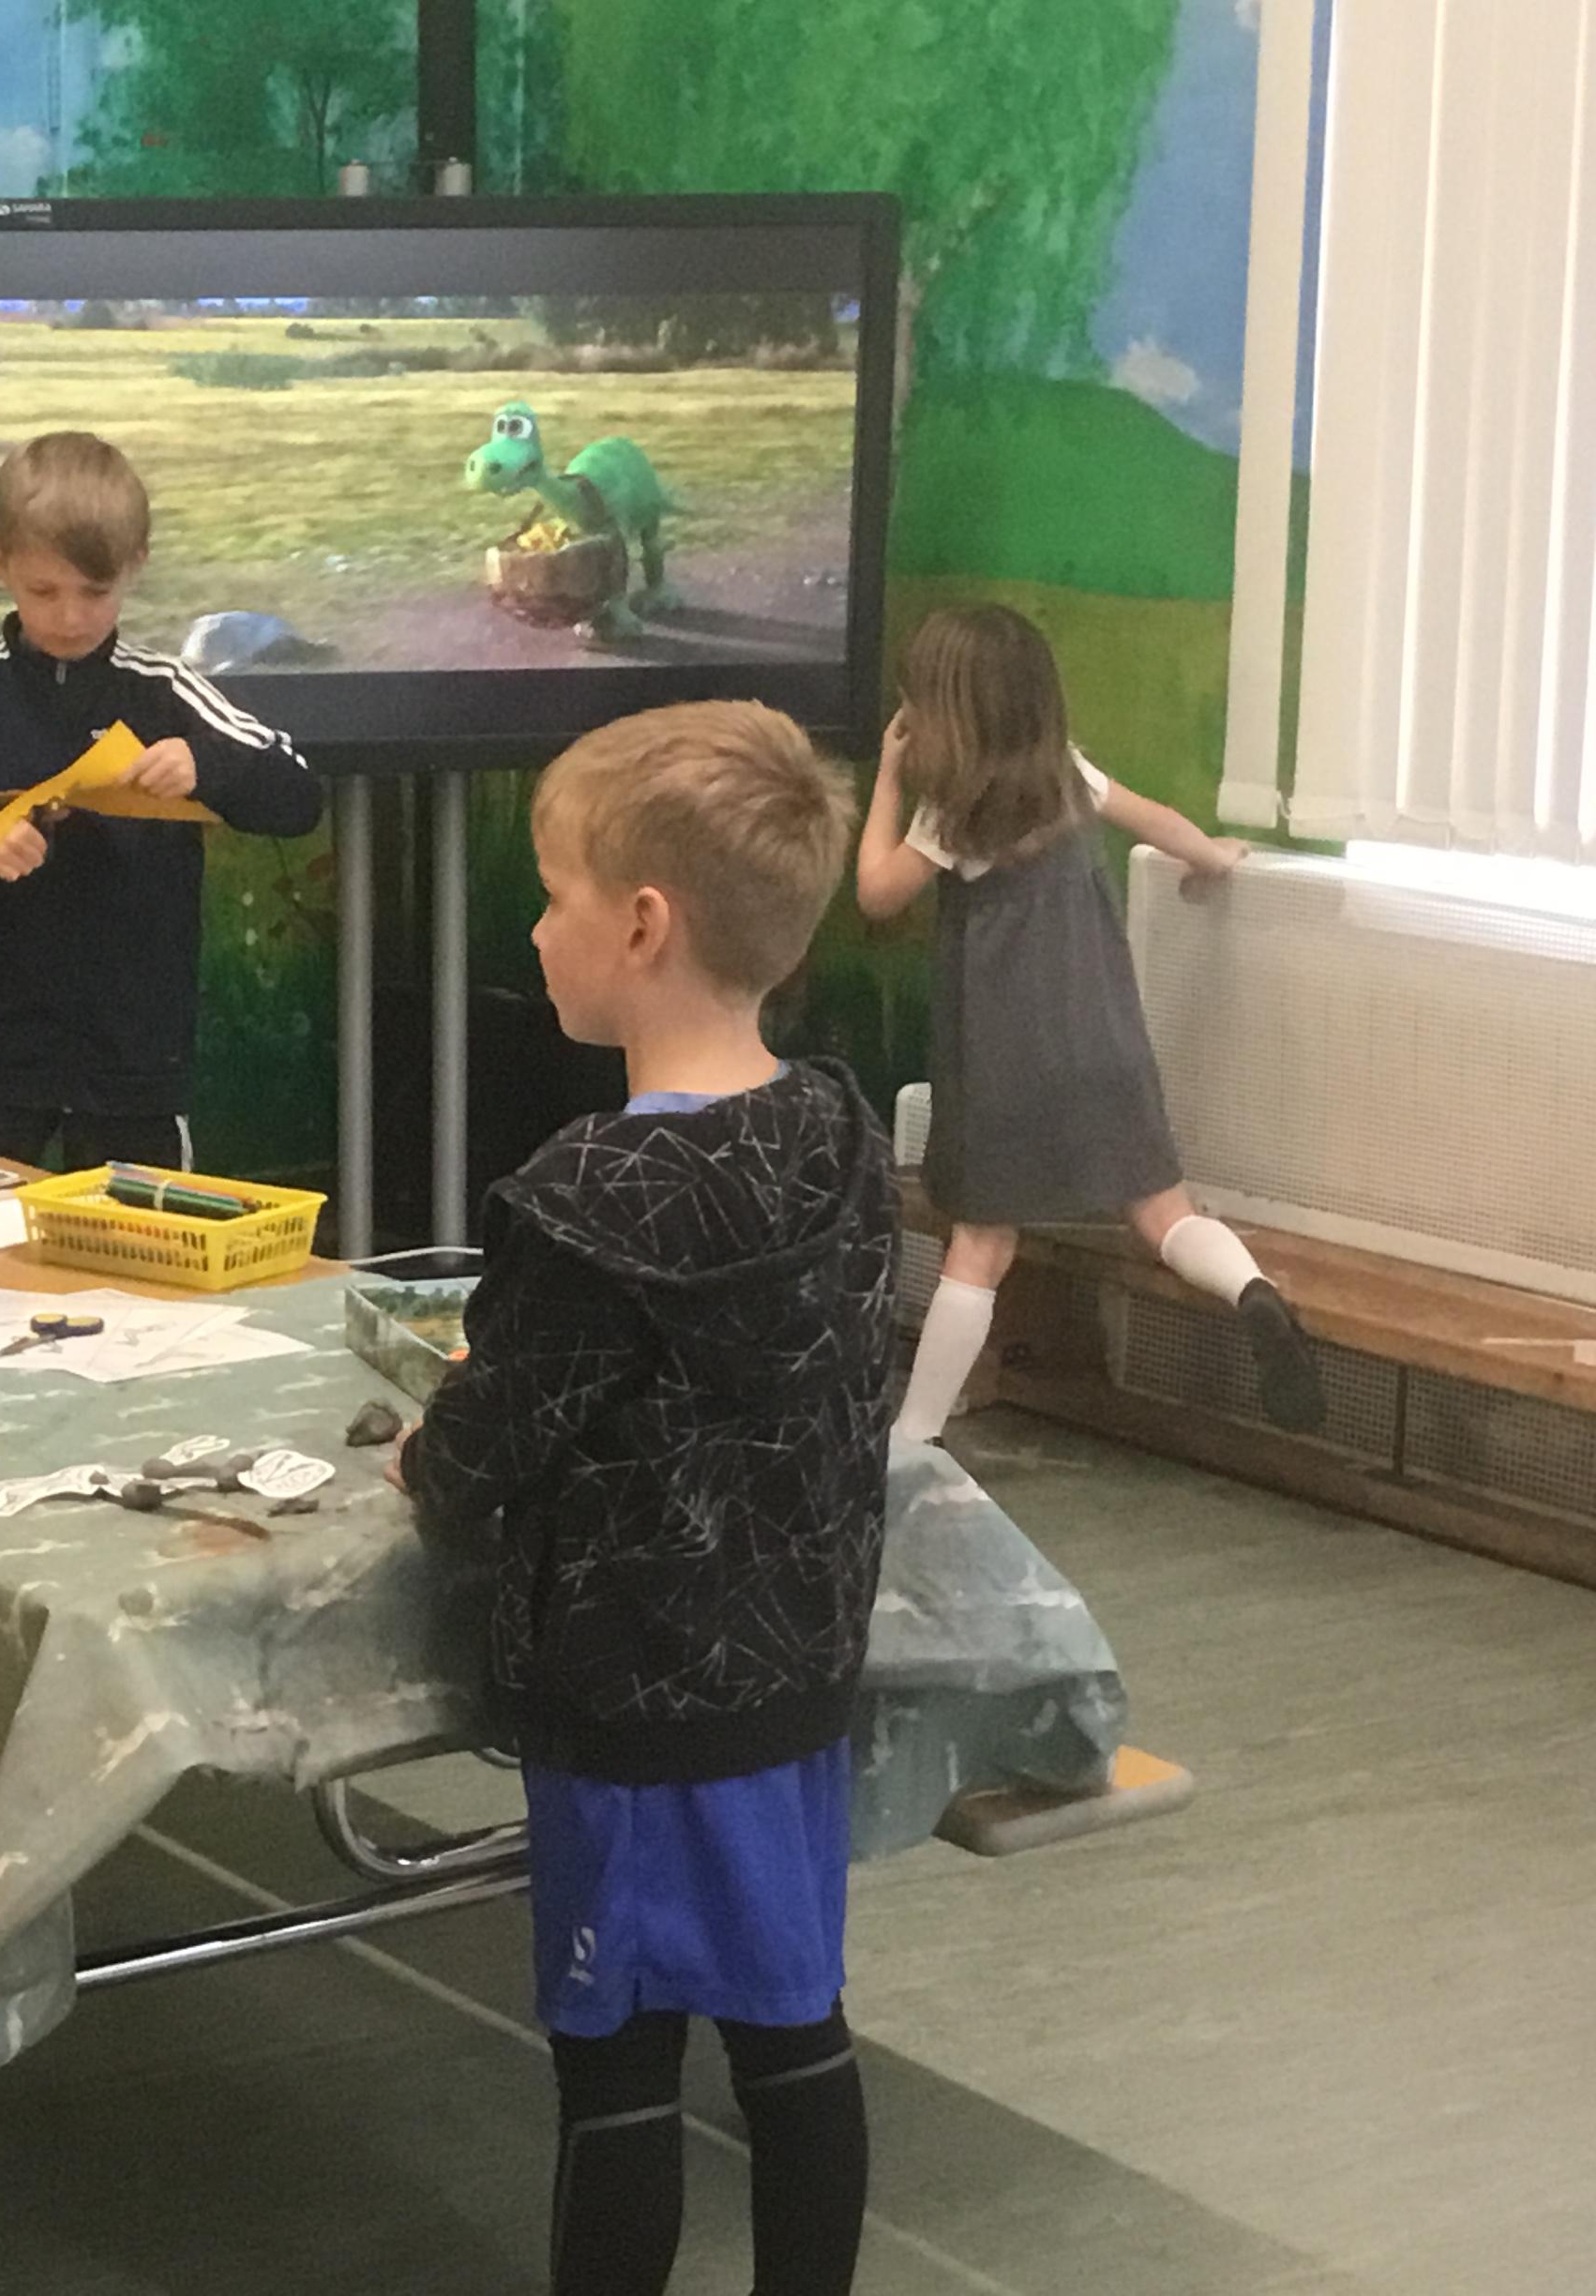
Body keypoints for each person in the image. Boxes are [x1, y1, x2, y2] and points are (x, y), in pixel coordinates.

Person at [398, 702, 895, 2296]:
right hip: (793, 1687)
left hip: (632, 1710)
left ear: (640, 924)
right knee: (794, 2029)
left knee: (614, 2068)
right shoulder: (837, 1135)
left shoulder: (587, 1205)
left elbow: (475, 1463)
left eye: (551, 896)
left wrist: (421, 1449)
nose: (534, 930)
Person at [858, 602, 1324, 1443]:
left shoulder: (952, 813)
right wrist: (1214, 856)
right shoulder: (1070, 775)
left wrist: (889, 779)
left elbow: (875, 895)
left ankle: (913, 1437)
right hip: (1106, 1047)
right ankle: (1251, 1290)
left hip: (1003, 1068)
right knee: (1165, 1215)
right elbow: (1164, 825)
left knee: (981, 1246)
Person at [0, 430, 324, 1170]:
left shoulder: (164, 690)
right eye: (43, 592)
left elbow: (299, 795)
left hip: (135, 1077)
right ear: (0, 563)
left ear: (135, 565)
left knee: (142, 1248)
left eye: (95, 592)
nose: (69, 618)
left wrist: (208, 765)